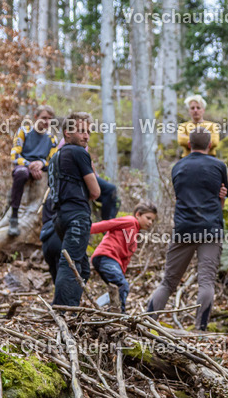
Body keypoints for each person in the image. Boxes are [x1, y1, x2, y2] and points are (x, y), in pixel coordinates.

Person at [146, 127, 228, 330]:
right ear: (210, 145)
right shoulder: (219, 166)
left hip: (184, 228)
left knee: (168, 282)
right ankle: (200, 330)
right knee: (206, 281)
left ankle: (146, 324)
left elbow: (179, 197)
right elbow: (221, 201)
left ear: (189, 144)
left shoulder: (177, 167)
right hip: (210, 229)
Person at [50, 112, 102, 307]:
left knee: (83, 269)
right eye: (80, 131)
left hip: (59, 218)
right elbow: (96, 191)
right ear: (67, 133)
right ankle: (63, 310)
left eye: (88, 131)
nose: (86, 136)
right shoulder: (80, 153)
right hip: (76, 216)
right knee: (70, 263)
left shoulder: (56, 156)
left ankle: (72, 305)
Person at [90, 202, 158, 313]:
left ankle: (104, 309)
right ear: (138, 214)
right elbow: (108, 224)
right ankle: (120, 314)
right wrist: (86, 229)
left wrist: (121, 274)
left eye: (153, 220)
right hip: (105, 256)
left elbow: (125, 260)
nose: (150, 222)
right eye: (148, 218)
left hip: (111, 261)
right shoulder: (130, 221)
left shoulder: (135, 236)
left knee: (117, 287)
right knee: (122, 285)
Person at [8, 105, 59, 237]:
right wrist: (29, 164)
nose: (46, 122)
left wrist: (41, 164)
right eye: (43, 118)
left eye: (49, 119)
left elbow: (53, 160)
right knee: (21, 173)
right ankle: (14, 216)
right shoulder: (24, 131)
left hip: (40, 169)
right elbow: (15, 155)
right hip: (23, 165)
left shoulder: (52, 138)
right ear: (36, 117)